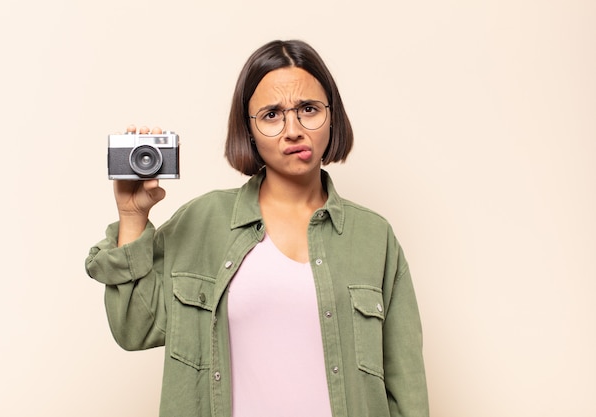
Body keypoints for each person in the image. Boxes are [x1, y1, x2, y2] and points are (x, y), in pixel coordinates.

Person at [85, 39, 429, 417]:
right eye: (271, 115)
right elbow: (134, 329)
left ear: (332, 116)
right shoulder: (203, 221)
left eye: (309, 109)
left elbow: (406, 385)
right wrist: (133, 217)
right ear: (247, 130)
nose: (293, 130)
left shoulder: (373, 236)